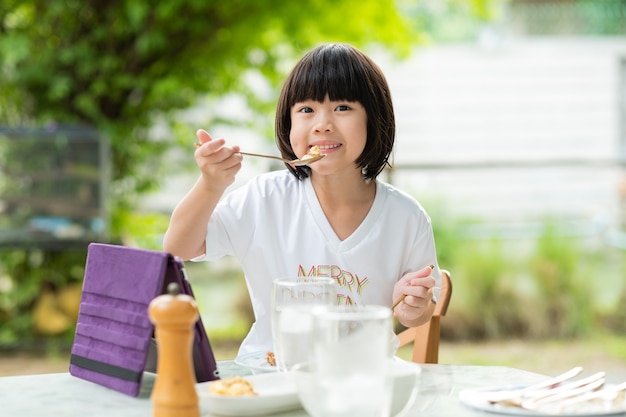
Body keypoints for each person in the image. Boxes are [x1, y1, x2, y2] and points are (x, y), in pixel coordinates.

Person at [163, 42, 441, 357]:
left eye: (342, 108)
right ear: (288, 123)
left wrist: (412, 306)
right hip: (270, 375)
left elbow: (420, 312)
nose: (322, 123)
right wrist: (210, 185)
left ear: (374, 119)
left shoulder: (406, 217)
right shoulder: (264, 199)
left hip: (362, 378)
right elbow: (178, 248)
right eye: (307, 110)